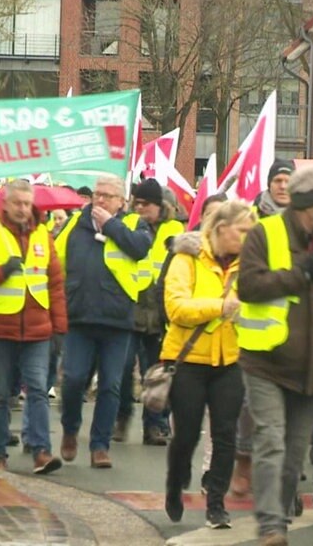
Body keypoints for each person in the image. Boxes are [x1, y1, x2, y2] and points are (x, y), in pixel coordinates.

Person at [236, 165, 313, 546]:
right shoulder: (263, 232)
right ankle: (272, 527)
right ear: (308, 203)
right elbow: (249, 286)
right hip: (265, 362)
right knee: (271, 440)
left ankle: (279, 516)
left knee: (295, 456)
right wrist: (300, 273)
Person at [162, 201, 256, 529]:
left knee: (225, 434)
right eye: (242, 230)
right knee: (185, 434)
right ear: (220, 230)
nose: (248, 237)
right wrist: (220, 307)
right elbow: (176, 308)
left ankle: (216, 503)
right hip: (188, 360)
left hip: (229, 360)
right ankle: (175, 486)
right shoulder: (186, 258)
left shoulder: (247, 264)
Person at [0, 180, 68, 472]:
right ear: (6, 205)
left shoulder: (43, 236)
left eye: (26, 203)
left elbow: (55, 284)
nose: (23, 209)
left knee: (37, 389)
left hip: (37, 329)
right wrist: (2, 271)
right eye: (17, 203)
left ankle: (41, 451)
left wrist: (59, 326)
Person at [55, 175, 151, 469]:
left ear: (122, 202)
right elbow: (55, 261)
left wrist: (111, 224)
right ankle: (70, 429)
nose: (101, 199)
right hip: (80, 316)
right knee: (72, 380)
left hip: (117, 320)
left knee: (110, 384)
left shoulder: (134, 224)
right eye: (98, 194)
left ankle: (100, 445)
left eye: (108, 195)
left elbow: (140, 248)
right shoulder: (75, 224)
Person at [116, 178, 184, 446]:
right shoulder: (128, 226)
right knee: (121, 370)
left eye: (146, 204)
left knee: (155, 373)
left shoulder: (174, 230)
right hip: (131, 308)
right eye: (137, 203)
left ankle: (154, 424)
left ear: (160, 206)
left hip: (158, 313)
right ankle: (121, 417)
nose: (140, 208)